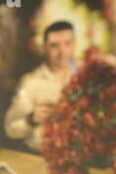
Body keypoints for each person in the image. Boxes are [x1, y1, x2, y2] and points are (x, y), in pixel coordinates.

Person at [4, 21, 77, 152]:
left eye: (67, 44)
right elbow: (10, 128)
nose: (62, 51)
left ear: (74, 44)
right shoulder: (30, 82)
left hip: (81, 157)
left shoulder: (85, 74)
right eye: (54, 46)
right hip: (41, 157)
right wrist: (31, 119)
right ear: (45, 48)